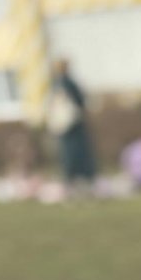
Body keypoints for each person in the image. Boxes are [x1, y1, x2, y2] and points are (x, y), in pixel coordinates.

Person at [46, 59, 97, 190]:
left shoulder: (55, 85)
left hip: (64, 126)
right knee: (77, 152)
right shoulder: (69, 83)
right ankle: (81, 177)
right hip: (73, 125)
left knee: (67, 153)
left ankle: (70, 177)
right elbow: (80, 101)